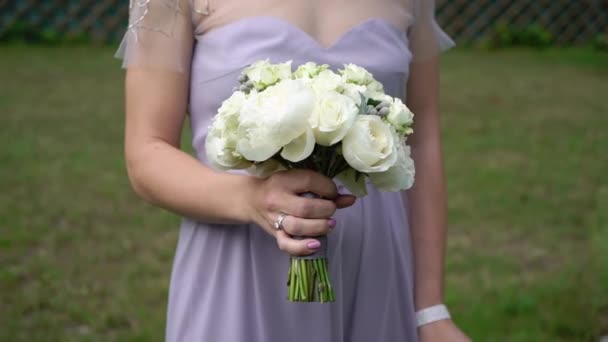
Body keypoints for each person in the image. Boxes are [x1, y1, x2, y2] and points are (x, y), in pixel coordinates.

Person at [117, 0, 470, 341]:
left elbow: (421, 144)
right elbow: (146, 151)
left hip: (376, 274)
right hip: (240, 273)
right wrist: (251, 199)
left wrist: (430, 309)